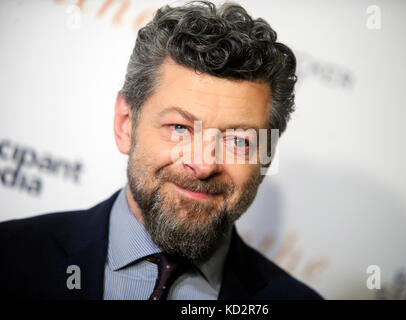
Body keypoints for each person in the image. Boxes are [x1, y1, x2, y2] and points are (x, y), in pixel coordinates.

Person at [0, 1, 322, 300]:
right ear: (126, 124)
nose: (203, 165)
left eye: (238, 141)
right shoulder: (13, 255)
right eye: (180, 128)